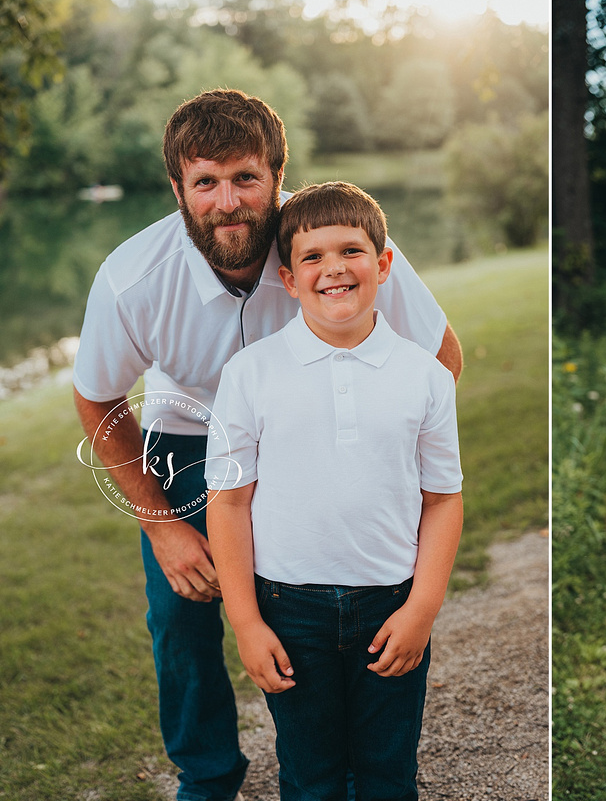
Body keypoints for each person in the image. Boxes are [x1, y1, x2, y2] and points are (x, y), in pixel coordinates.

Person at [72, 89, 462, 801]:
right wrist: (162, 526)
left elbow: (440, 359)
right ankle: (208, 775)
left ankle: (346, 763)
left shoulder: (329, 247)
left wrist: (383, 467)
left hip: (305, 435)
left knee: (324, 600)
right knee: (181, 618)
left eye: (246, 177)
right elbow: (97, 398)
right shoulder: (132, 279)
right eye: (206, 182)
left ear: (279, 176)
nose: (228, 201)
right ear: (178, 188)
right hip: (189, 444)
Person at [204, 181, 463, 800]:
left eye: (349, 251)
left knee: (387, 772)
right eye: (312, 258)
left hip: (391, 605)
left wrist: (421, 609)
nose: (333, 270)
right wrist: (245, 621)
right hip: (289, 610)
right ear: (288, 281)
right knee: (310, 775)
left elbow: (443, 499)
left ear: (382, 264)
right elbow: (230, 502)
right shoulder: (249, 374)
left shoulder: (425, 376)